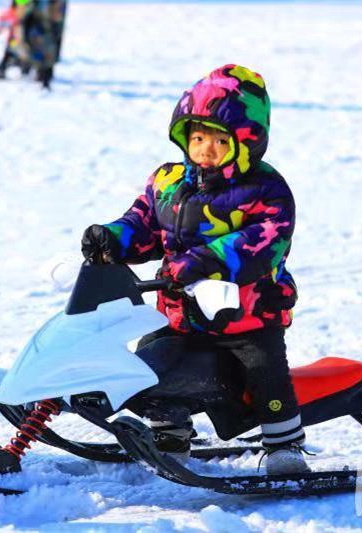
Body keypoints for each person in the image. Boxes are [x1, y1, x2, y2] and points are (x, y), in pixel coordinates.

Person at [80, 64, 309, 475]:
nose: (205, 148)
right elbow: (144, 224)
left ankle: (284, 443)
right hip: (180, 313)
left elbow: (265, 241)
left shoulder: (266, 189)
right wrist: (112, 239)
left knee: (263, 370)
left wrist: (204, 261)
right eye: (197, 137)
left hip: (248, 316)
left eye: (219, 139)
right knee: (152, 364)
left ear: (247, 142)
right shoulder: (168, 182)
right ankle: (170, 434)